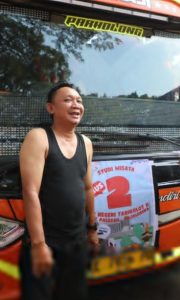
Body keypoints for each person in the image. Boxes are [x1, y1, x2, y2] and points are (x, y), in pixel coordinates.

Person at [19, 82, 100, 300]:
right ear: (50, 108)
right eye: (68, 100)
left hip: (77, 242)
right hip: (45, 243)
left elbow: (88, 188)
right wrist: (38, 245)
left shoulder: (86, 142)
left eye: (79, 101)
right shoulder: (39, 137)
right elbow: (30, 192)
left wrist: (92, 229)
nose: (76, 105)